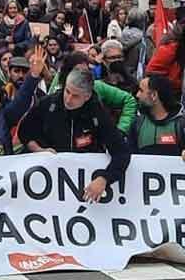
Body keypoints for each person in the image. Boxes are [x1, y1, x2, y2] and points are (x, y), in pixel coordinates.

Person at [17, 66, 131, 202]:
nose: (69, 99)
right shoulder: (48, 104)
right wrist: (38, 149)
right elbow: (24, 131)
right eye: (67, 91)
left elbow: (122, 152)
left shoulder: (97, 113)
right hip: (49, 183)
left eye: (75, 96)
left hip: (85, 186)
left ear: (87, 96)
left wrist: (104, 178)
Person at [130, 74, 185, 161]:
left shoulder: (184, 126)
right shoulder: (137, 125)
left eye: (141, 91)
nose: (137, 95)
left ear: (154, 95)